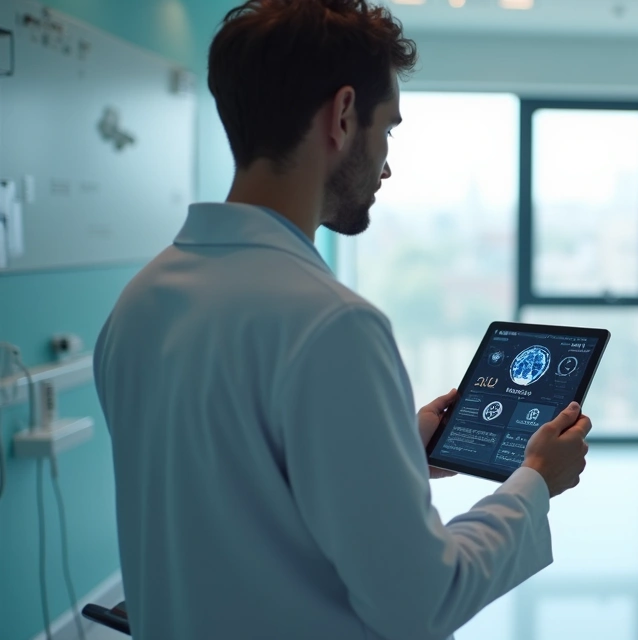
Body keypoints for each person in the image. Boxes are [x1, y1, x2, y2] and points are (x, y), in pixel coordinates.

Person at [93, 2, 591, 638]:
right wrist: (534, 483)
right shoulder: (333, 326)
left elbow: (229, 503)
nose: (386, 164)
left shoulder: (141, 302)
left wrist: (396, 450)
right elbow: (421, 601)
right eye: (387, 129)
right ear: (344, 115)